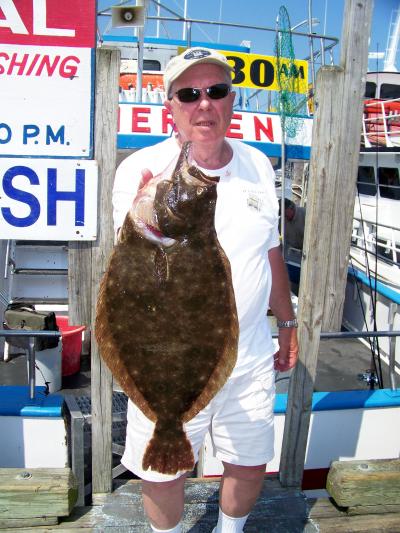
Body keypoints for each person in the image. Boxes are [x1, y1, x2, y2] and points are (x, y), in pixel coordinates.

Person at [112, 47, 299, 533]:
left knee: (250, 459)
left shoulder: (258, 164)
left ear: (230, 101)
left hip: (251, 351)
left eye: (216, 91)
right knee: (163, 469)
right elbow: (126, 273)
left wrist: (288, 322)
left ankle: (229, 531)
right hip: (166, 351)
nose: (204, 104)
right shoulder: (141, 172)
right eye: (189, 94)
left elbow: (271, 252)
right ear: (170, 107)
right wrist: (140, 220)